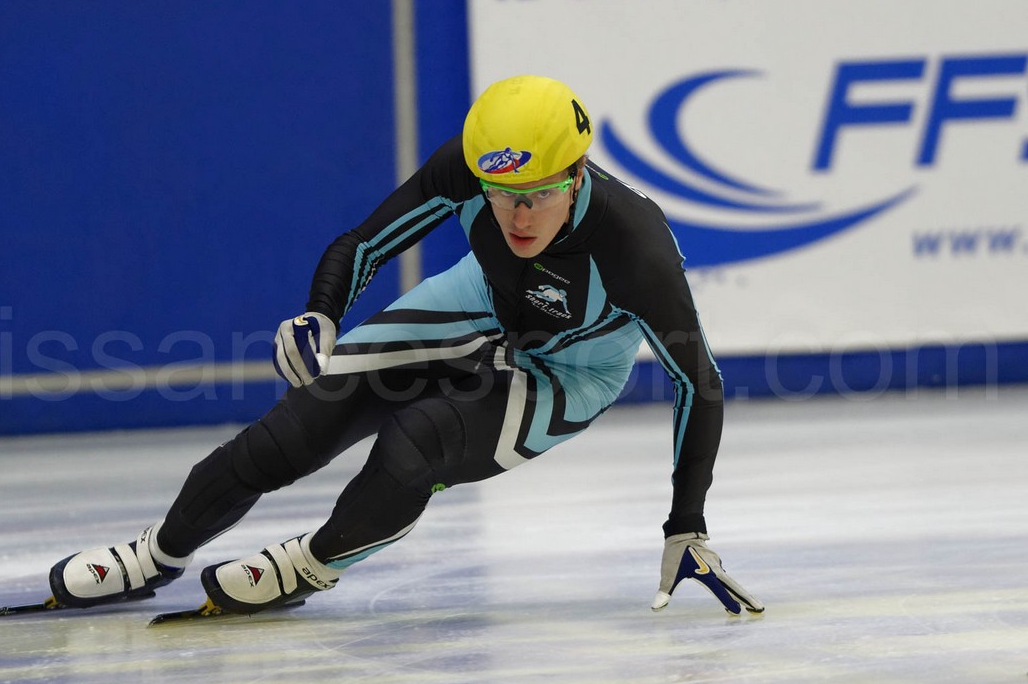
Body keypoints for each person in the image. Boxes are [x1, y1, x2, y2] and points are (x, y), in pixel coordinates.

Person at [47, 75, 763, 618]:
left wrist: (686, 524)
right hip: (477, 295)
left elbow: (697, 382)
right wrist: (319, 315)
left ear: (576, 176)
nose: (517, 215)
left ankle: (312, 563)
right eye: (499, 192)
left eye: (538, 194)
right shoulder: (469, 168)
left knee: (414, 445)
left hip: (570, 367)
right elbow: (362, 243)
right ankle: (158, 552)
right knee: (296, 427)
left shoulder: (636, 248)